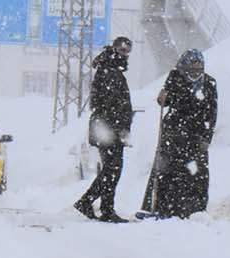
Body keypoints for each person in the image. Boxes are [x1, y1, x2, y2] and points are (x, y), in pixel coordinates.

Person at [149, 48, 218, 218]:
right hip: (174, 133)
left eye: (199, 67)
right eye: (192, 67)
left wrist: (207, 137)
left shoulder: (209, 83)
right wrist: (162, 98)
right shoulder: (175, 77)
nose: (196, 71)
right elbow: (166, 102)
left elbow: (212, 112)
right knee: (169, 172)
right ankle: (165, 208)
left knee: (197, 175)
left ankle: (194, 210)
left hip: (196, 135)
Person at [73, 36, 134, 223]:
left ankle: (106, 208)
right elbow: (111, 104)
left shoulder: (109, 68)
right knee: (112, 170)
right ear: (115, 50)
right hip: (107, 129)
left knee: (111, 169)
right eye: (123, 51)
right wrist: (120, 127)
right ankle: (89, 202)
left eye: (128, 52)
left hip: (108, 128)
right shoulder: (109, 71)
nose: (126, 55)